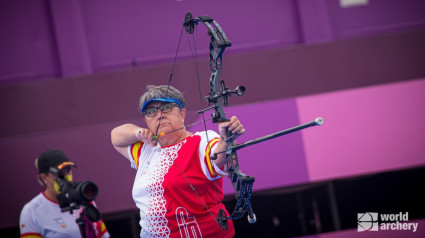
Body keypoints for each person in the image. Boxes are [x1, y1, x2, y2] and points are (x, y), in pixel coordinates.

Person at [111, 85, 246, 238]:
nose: (159, 115)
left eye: (166, 108)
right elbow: (115, 137)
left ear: (182, 113)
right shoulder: (146, 149)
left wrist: (227, 139)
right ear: (146, 121)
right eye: (151, 112)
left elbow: (219, 155)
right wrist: (137, 133)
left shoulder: (201, 141)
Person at [19, 149, 110, 238]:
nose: (66, 177)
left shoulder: (83, 198)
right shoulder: (31, 211)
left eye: (68, 170)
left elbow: (102, 234)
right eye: (59, 174)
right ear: (44, 178)